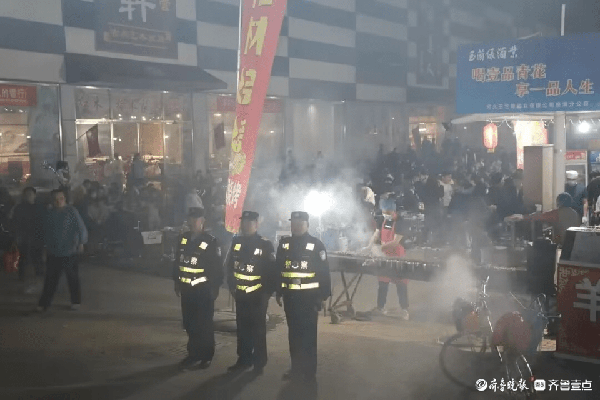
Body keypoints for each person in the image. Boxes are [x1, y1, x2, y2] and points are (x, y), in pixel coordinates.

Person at [275, 211, 331, 383]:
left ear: (307, 225)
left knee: (308, 335)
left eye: (300, 223)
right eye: (294, 223)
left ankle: (309, 371)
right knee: (294, 335)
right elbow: (278, 269)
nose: (296, 226)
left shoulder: (316, 245)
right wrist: (278, 291)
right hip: (291, 298)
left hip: (309, 299)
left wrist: (323, 296)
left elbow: (324, 272)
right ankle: (296, 368)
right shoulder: (284, 244)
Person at [225, 211, 276, 375]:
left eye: (250, 222)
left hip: (258, 295)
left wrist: (266, 293)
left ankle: (259, 362)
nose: (246, 225)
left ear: (256, 224)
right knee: (242, 328)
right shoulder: (236, 242)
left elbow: (271, 272)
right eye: (244, 222)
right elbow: (230, 266)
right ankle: (243, 359)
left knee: (258, 329)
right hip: (240, 294)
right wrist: (231, 286)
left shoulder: (265, 244)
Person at [173, 207, 223, 370]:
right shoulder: (183, 239)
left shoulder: (211, 241)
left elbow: (217, 268)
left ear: (203, 221)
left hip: (203, 290)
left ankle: (206, 355)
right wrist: (177, 282)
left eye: (197, 219)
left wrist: (214, 288)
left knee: (204, 324)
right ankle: (193, 353)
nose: (193, 222)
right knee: (189, 323)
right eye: (191, 219)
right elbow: (177, 262)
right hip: (187, 289)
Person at [37, 189, 88, 312]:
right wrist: (45, 248)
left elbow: (81, 227)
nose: (58, 201)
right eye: (55, 199)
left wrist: (81, 242)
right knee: (50, 279)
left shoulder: (71, 211)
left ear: (65, 199)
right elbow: (46, 232)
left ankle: (75, 301)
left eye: (61, 198)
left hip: (70, 251)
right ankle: (45, 303)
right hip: (53, 251)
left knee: (72, 278)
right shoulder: (49, 213)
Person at [363, 197, 409, 320]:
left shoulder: (400, 222)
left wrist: (380, 248)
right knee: (383, 282)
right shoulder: (382, 219)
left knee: (401, 283)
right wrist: (369, 246)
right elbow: (376, 234)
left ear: (394, 210)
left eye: (388, 212)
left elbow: (395, 242)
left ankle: (404, 309)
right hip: (384, 256)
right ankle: (380, 307)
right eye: (384, 211)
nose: (386, 214)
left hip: (397, 256)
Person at [505, 192, 580, 247]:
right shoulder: (575, 213)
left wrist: (522, 217)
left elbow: (540, 216)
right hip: (575, 244)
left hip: (562, 245)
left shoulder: (557, 213)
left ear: (558, 202)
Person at [10, 187, 44, 283]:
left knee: (37, 256)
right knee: (23, 257)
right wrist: (16, 237)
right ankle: (22, 276)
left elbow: (43, 222)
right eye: (27, 194)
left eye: (30, 194)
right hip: (24, 237)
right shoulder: (19, 208)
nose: (29, 196)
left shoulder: (39, 207)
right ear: (24, 196)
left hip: (37, 236)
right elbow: (14, 223)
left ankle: (39, 274)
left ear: (35, 195)